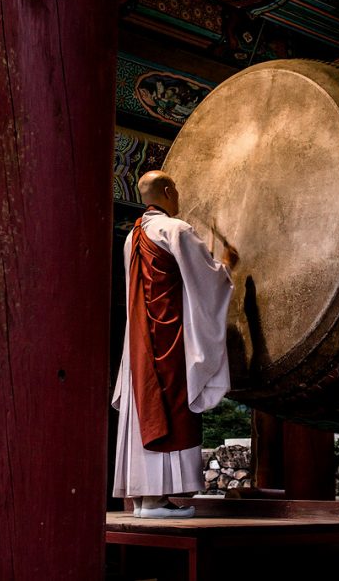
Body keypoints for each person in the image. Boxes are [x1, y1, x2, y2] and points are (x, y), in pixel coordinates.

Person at [111, 170, 237, 518]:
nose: (178, 194)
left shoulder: (132, 236)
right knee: (169, 407)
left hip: (139, 341)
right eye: (176, 188)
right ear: (167, 190)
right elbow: (206, 279)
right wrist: (227, 266)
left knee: (145, 408)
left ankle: (145, 500)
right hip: (167, 340)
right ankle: (154, 501)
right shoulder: (175, 229)